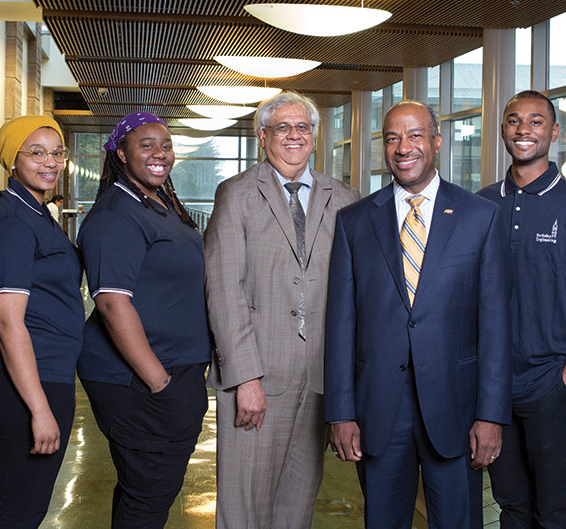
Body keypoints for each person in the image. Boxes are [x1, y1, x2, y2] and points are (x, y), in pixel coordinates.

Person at [324, 100, 512, 528]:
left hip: (457, 411)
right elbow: (340, 325)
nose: (403, 147)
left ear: (437, 142)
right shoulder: (353, 222)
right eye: (392, 137)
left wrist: (491, 415)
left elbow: (497, 326)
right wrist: (340, 411)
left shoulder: (481, 217)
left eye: (414, 135)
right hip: (378, 411)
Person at [204, 91, 360, 529]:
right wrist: (245, 377)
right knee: (243, 510)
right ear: (263, 136)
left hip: (318, 381)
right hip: (257, 379)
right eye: (282, 128)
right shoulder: (236, 195)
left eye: (303, 127)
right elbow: (223, 289)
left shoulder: (344, 198)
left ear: (314, 135)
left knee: (297, 506)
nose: (294, 136)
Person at [476, 90, 566, 529]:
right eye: (514, 120)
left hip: (550, 385)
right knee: (510, 503)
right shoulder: (479, 206)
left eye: (536, 122)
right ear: (503, 129)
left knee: (556, 507)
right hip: (492, 388)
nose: (524, 130)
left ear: (554, 132)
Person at [77, 112, 209, 528]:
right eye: (146, 145)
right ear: (121, 153)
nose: (159, 154)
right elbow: (113, 304)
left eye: (165, 145)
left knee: (143, 491)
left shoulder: (159, 204)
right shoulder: (116, 214)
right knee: (150, 494)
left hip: (174, 370)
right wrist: (159, 382)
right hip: (141, 380)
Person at [0, 115, 83, 528]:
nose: (50, 162)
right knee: (23, 507)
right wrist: (39, 408)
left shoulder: (35, 212)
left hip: (47, 370)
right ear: (11, 160)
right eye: (35, 153)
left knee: (22, 503)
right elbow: (5, 321)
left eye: (57, 153)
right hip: (27, 378)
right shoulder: (12, 222)